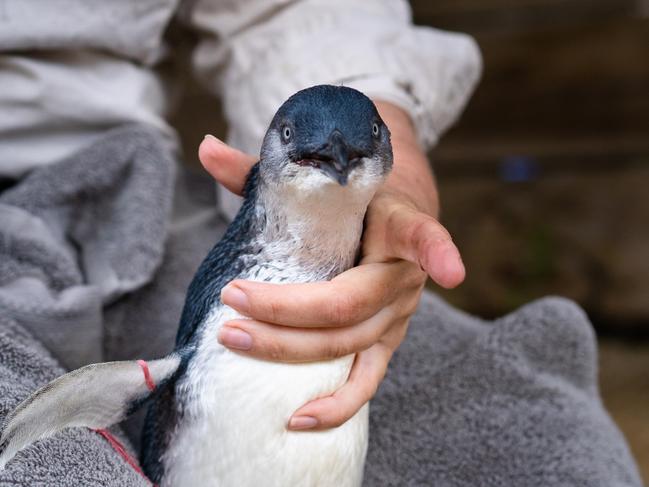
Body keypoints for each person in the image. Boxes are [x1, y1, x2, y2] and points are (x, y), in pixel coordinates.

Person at [0, 1, 641, 485]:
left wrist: (400, 192)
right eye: (303, 153)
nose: (332, 163)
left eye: (356, 157)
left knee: (549, 448)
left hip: (117, 176)